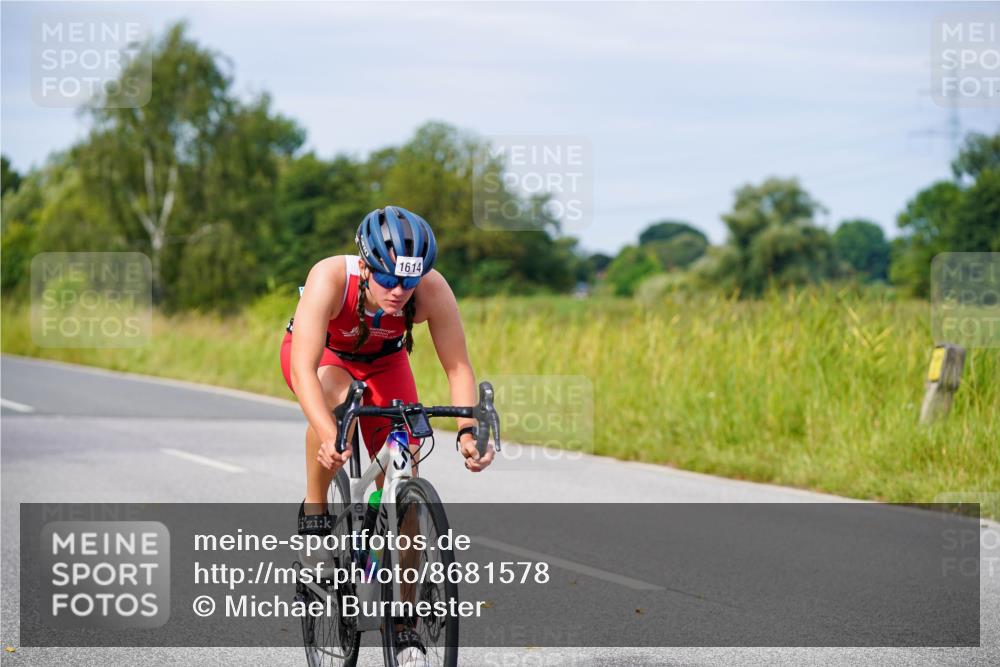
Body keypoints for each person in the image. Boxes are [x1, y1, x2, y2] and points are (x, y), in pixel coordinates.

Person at [279, 205, 493, 665]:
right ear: (366, 265)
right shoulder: (330, 278)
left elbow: (458, 366)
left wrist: (467, 432)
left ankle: (404, 619)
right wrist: (328, 433)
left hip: (385, 361)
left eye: (408, 282)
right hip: (325, 358)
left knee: (405, 479)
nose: (399, 291)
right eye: (389, 279)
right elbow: (302, 370)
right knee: (336, 400)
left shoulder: (431, 289)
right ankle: (315, 518)